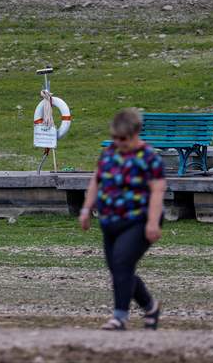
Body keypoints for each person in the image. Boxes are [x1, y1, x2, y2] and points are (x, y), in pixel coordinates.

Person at [79, 107, 167, 331]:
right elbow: (96, 181)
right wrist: (86, 209)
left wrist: (152, 223)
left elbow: (157, 191)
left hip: (139, 219)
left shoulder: (149, 158)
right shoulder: (109, 153)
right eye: (114, 138)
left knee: (122, 263)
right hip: (110, 220)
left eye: (123, 138)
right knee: (120, 269)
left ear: (136, 133)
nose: (118, 142)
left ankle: (119, 317)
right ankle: (150, 306)